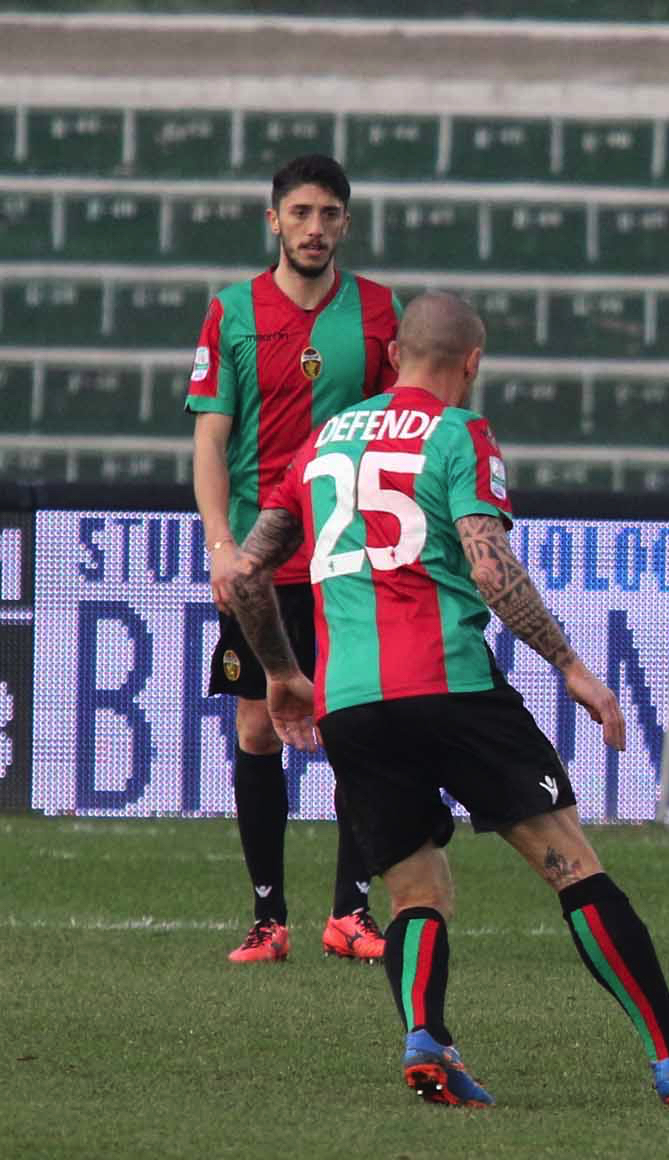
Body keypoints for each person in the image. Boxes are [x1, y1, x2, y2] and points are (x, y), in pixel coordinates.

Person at [222, 291, 669, 1109]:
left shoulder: (322, 441)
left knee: (415, 892)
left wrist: (280, 672)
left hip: (351, 706)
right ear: (471, 362)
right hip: (450, 685)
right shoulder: (459, 432)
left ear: (395, 353)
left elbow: (245, 572)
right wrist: (572, 665)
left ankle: (428, 1039)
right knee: (571, 864)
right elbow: (487, 564)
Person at [187, 153, 401, 964]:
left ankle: (351, 912)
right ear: (272, 219)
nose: (315, 228)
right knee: (257, 725)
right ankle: (267, 917)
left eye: (330, 215)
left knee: (357, 726)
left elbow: (403, 425)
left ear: (347, 224)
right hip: (258, 561)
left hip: (352, 557)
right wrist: (218, 543)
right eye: (301, 213)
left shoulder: (381, 313)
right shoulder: (232, 311)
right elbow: (210, 437)